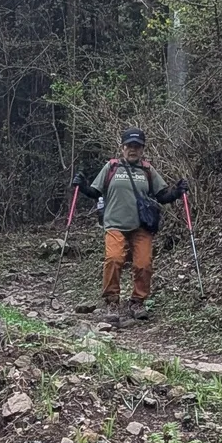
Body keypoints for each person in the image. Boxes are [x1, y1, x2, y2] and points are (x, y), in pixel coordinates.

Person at [71, 129, 185, 322]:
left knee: (144, 264)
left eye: (137, 146)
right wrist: (81, 186)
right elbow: (95, 192)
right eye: (129, 146)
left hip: (141, 225)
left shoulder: (148, 170)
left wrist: (177, 192)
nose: (133, 150)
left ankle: (137, 302)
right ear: (122, 147)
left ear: (142, 149)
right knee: (114, 259)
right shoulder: (111, 167)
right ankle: (112, 302)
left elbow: (162, 195)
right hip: (114, 223)